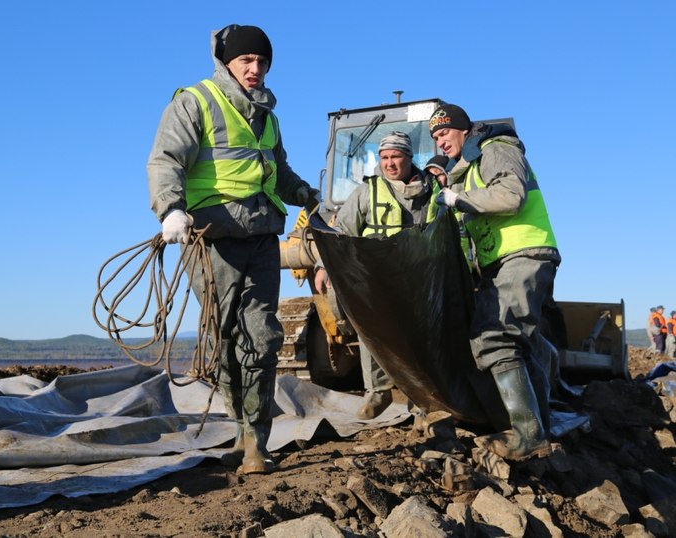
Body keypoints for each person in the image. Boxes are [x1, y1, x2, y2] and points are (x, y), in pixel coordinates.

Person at [146, 24, 319, 475]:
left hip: (261, 236)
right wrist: (170, 210)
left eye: (262, 61)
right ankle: (241, 432)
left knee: (261, 336)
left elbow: (276, 171)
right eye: (247, 61)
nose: (255, 68)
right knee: (223, 339)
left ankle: (257, 443)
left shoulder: (269, 117)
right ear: (227, 62)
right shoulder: (196, 101)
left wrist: (307, 193)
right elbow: (165, 160)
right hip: (211, 240)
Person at [430, 103, 560, 461]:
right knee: (517, 344)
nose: (440, 141)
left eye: (444, 133)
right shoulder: (470, 166)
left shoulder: (496, 149)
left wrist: (459, 199)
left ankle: (528, 436)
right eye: (435, 137)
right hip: (505, 261)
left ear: (463, 129)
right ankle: (537, 432)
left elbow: (510, 195)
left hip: (522, 253)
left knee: (495, 338)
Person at [314, 131, 434, 419]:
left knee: (416, 341)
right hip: (375, 278)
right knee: (371, 332)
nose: (390, 163)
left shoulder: (431, 191)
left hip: (416, 277)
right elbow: (340, 230)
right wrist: (323, 266)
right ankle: (377, 391)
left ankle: (421, 404)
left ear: (409, 158)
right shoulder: (368, 192)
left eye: (396, 156)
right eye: (384, 158)